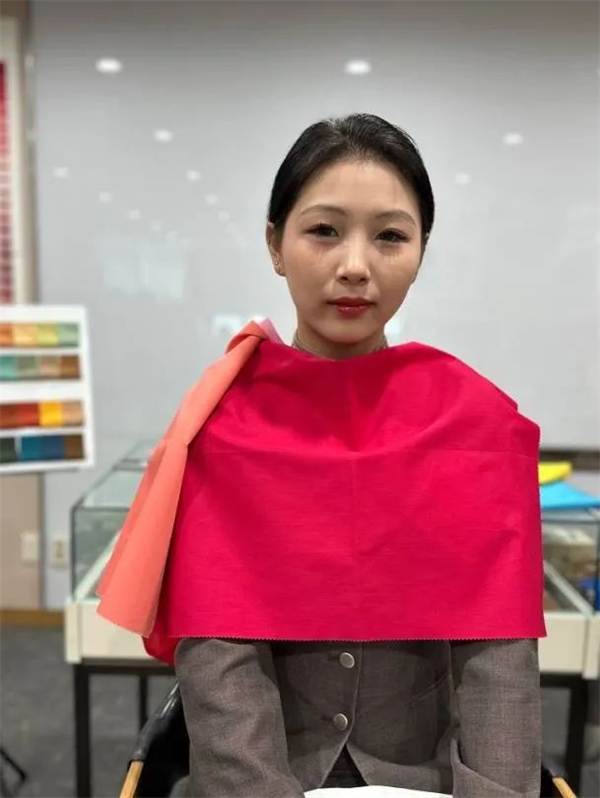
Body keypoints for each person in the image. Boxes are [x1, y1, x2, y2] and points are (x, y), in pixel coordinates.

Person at [99, 113, 545, 798]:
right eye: (324, 231)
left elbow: (499, 660)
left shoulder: (475, 424)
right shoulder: (223, 424)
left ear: (422, 250)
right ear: (275, 245)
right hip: (259, 777)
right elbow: (220, 656)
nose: (355, 266)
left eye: (390, 236)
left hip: (424, 780)